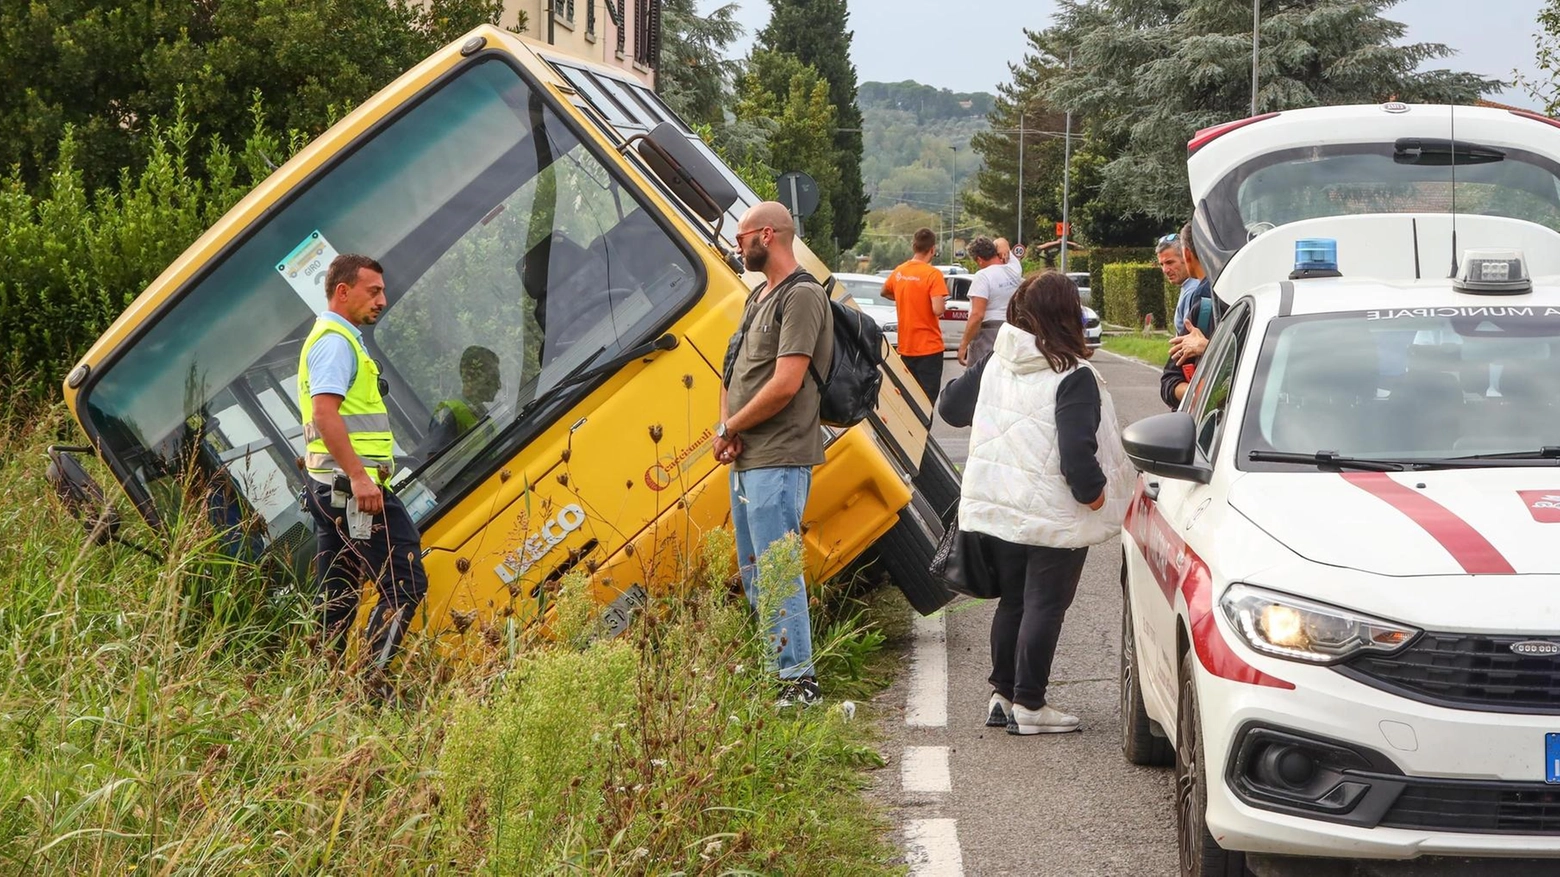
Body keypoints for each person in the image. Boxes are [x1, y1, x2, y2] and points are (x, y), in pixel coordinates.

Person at [942, 271, 1134, 735]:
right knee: (1044, 605)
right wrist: (1095, 495)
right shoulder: (1074, 375)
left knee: (1012, 602)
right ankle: (1030, 705)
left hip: (998, 506)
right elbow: (1076, 453)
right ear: (1067, 314)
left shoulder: (996, 363)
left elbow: (950, 409)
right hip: (1053, 514)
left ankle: (1002, 695)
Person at [716, 201, 834, 708]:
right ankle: (775, 672)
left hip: (779, 456)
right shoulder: (757, 297)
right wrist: (729, 427)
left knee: (778, 567)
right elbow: (734, 367)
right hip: (748, 455)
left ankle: (797, 681)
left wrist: (731, 426)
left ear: (768, 235)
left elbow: (786, 383)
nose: (737, 246)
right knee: (755, 572)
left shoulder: (802, 296)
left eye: (742, 237)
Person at [298, 254, 429, 692]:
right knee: (405, 579)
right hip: (351, 490)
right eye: (373, 291)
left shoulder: (338, 339)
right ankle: (368, 685)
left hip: (330, 489)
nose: (382, 300)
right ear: (343, 290)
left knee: (337, 598)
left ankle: (325, 690)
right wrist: (359, 477)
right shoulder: (336, 342)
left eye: (382, 291)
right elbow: (325, 413)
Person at [880, 227, 949, 406]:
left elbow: (884, 291)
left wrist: (905, 298)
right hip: (929, 347)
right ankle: (923, 433)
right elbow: (937, 309)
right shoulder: (933, 274)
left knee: (908, 400)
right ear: (932, 249)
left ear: (914, 246)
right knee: (926, 401)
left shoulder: (900, 271)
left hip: (906, 346)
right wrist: (940, 303)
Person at [1161, 223, 1214, 408]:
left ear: (1187, 255)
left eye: (1169, 262)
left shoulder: (1203, 297)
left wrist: (1209, 349)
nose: (1165, 269)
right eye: (1162, 264)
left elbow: (1169, 380)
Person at [957, 236, 1022, 367]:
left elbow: (977, 315)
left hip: (988, 333)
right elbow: (1001, 241)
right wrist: (1002, 243)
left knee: (980, 376)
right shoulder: (1014, 268)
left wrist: (963, 345)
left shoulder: (983, 276)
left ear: (979, 260)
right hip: (1012, 328)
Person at [427, 345, 501, 448]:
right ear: (472, 378)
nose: (498, 385)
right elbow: (436, 460)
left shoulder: (481, 413)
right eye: (492, 379)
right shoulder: (449, 413)